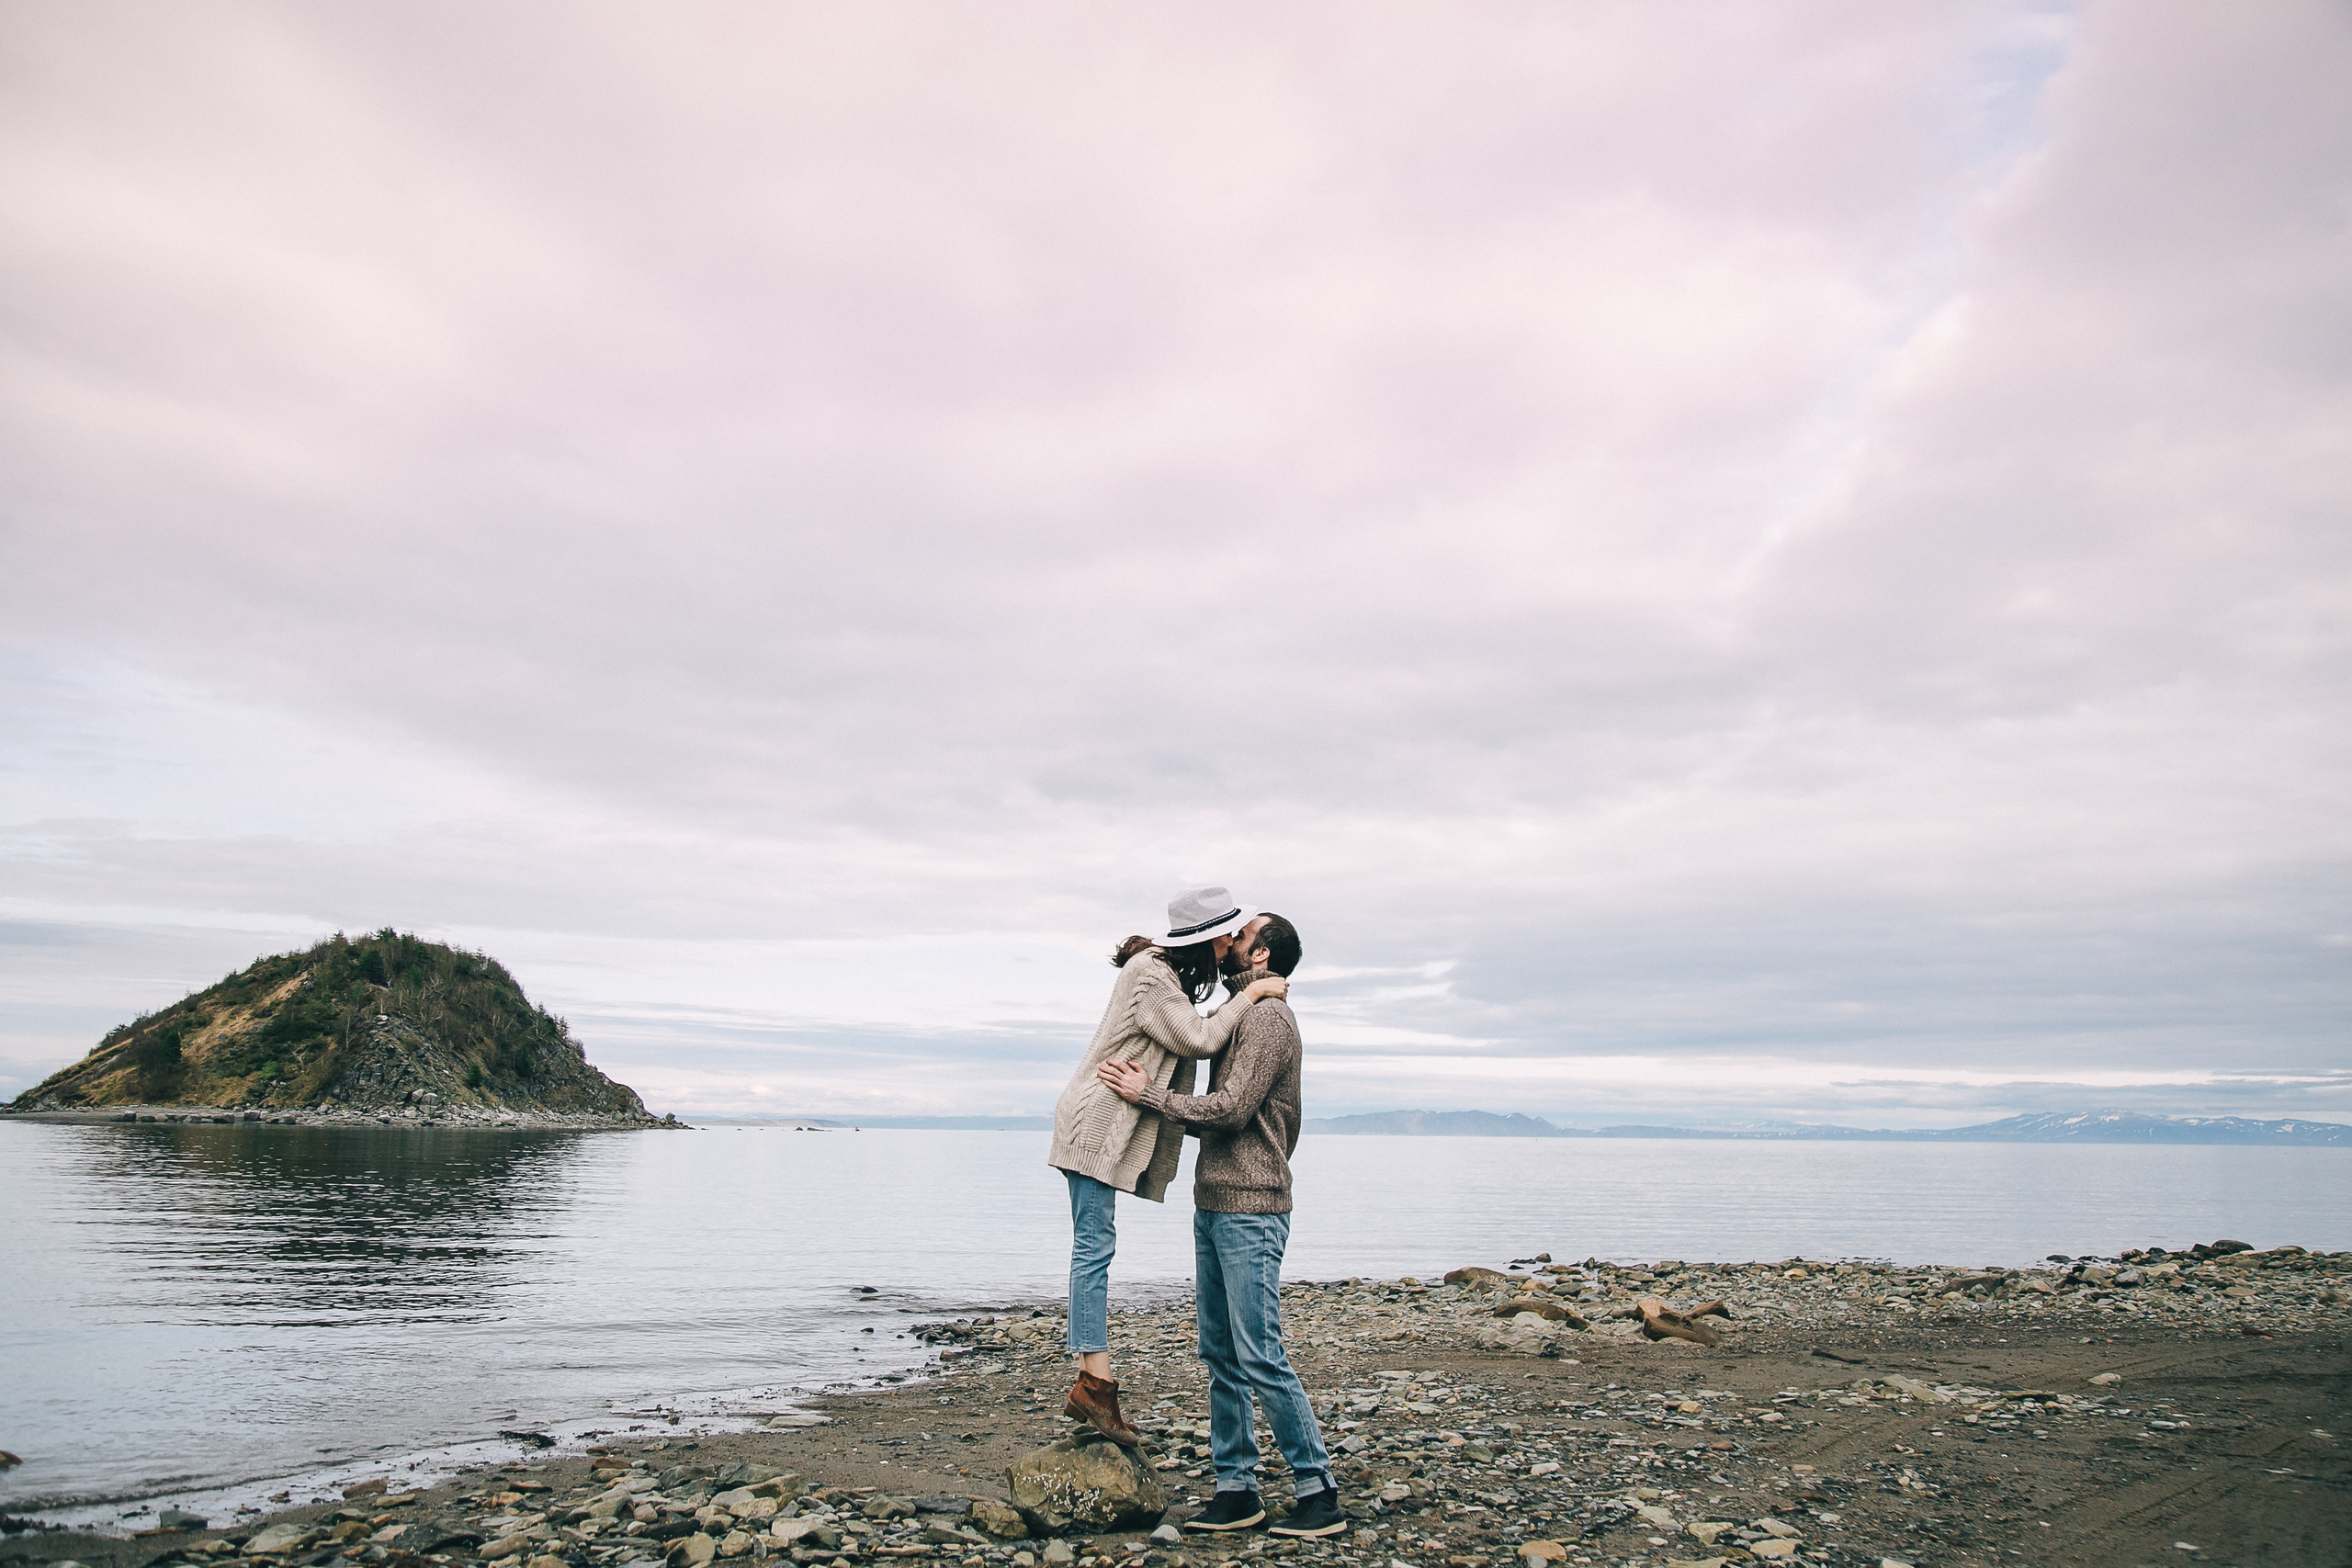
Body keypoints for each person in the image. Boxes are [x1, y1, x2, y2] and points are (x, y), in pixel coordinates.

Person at [1095, 911, 1343, 1539]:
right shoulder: (1240, 1013)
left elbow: (1230, 1111)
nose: (1231, 942)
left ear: (1263, 957)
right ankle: (1237, 1490)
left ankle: (1318, 1491)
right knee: (1221, 1353)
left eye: (1244, 936)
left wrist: (1148, 1096)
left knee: (1260, 1353)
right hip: (1215, 1203)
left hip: (1253, 1208)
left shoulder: (1267, 1019)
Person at [1049, 885, 1289, 1446]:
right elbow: (1199, 1038)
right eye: (1227, 935)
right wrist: (1254, 994)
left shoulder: (1166, 975)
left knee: (1095, 1247)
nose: (1230, 945)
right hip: (1096, 1123)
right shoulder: (1152, 974)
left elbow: (1192, 1028)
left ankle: (1092, 1383)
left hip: (1106, 1123)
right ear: (1207, 938)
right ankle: (1094, 1386)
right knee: (1093, 1249)